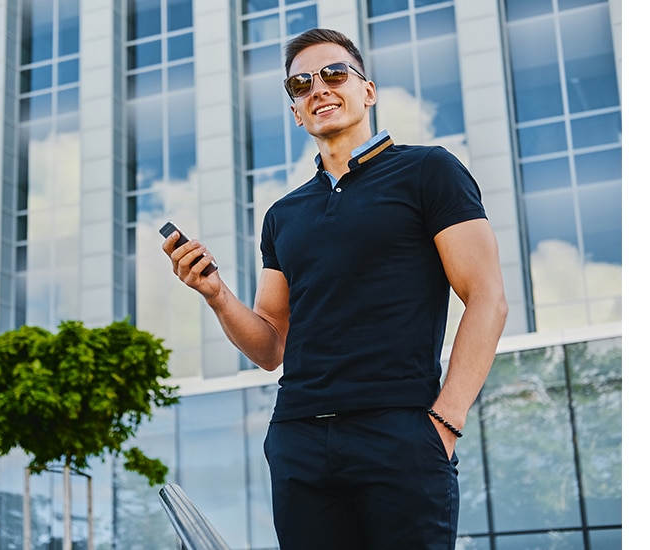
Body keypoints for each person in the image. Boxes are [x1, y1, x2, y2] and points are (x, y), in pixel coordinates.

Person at [161, 28, 507, 549]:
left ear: (367, 91)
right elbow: (270, 345)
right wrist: (216, 294)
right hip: (299, 438)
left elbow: (487, 298)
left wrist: (445, 423)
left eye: (334, 74)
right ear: (296, 111)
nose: (317, 88)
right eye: (300, 85)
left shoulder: (429, 170)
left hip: (401, 432)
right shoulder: (283, 215)